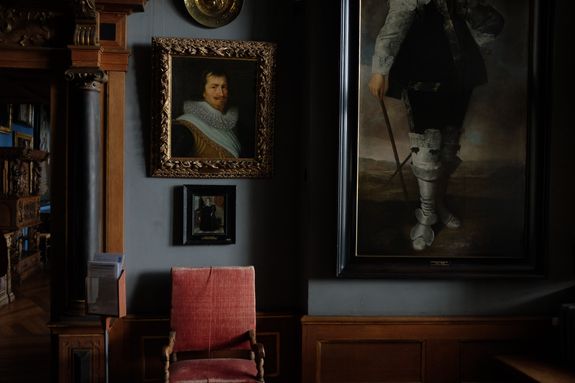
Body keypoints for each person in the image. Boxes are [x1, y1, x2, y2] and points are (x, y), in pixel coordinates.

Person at [368, 0, 504, 251]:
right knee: (427, 147)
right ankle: (426, 215)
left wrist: (476, 40)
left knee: (449, 146)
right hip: (422, 71)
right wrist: (380, 70)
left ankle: (437, 203)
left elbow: (485, 20)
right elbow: (395, 22)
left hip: (460, 73)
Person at [172, 68, 241, 158]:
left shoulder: (233, 122)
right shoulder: (186, 125)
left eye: (224, 87)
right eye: (214, 87)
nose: (221, 93)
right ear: (203, 91)